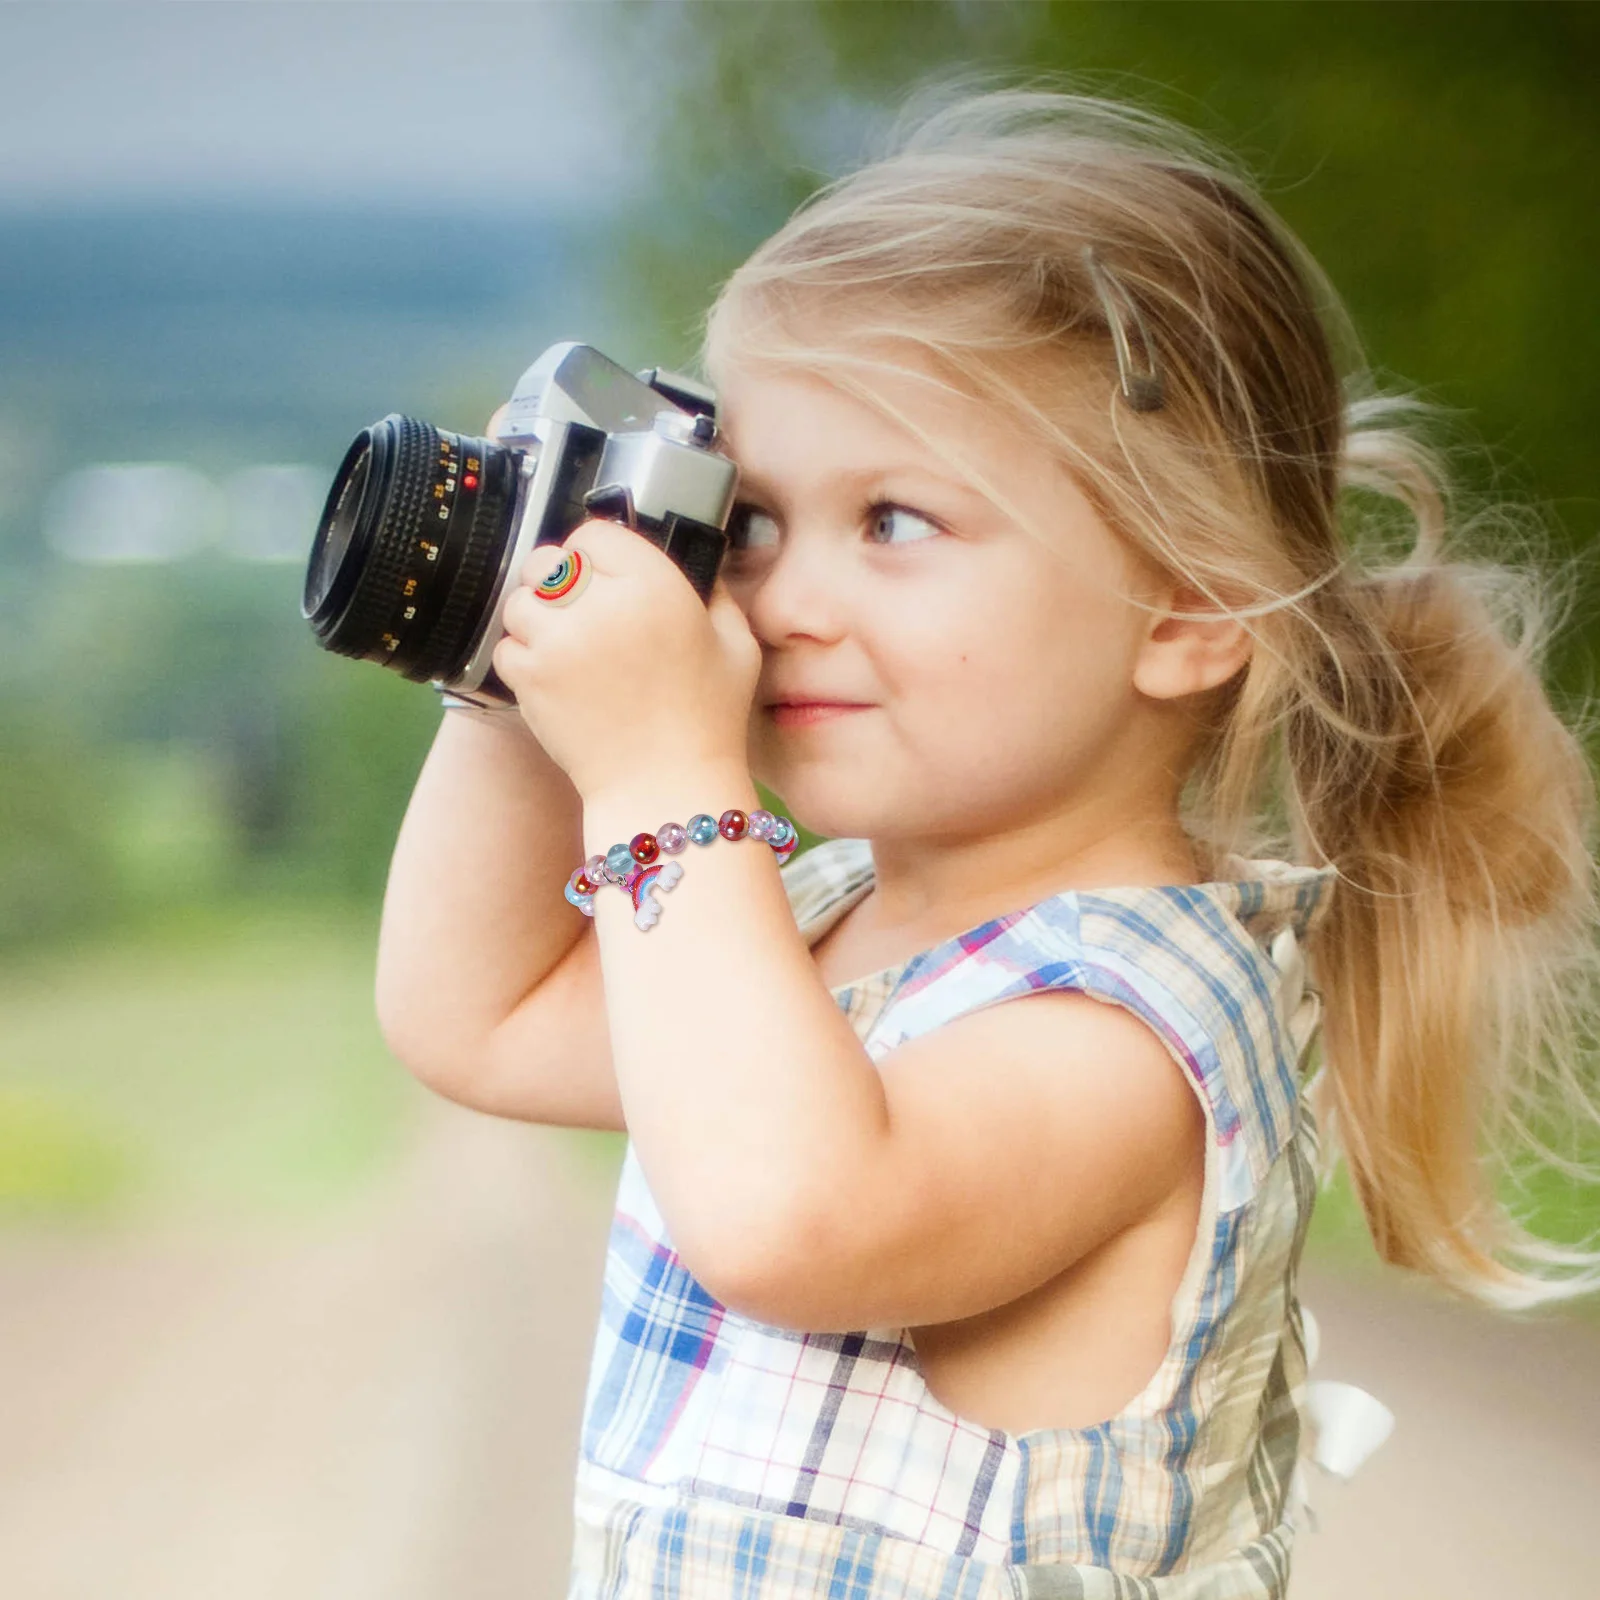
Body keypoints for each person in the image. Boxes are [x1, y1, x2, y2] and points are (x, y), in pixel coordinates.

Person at [375, 80, 1600, 1598]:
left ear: (1188, 610)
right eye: (750, 521)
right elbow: (474, 1019)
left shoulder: (1131, 1028)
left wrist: (658, 768)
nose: (786, 600)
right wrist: (521, 660)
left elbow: (794, 1217)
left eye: (893, 522)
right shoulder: (812, 920)